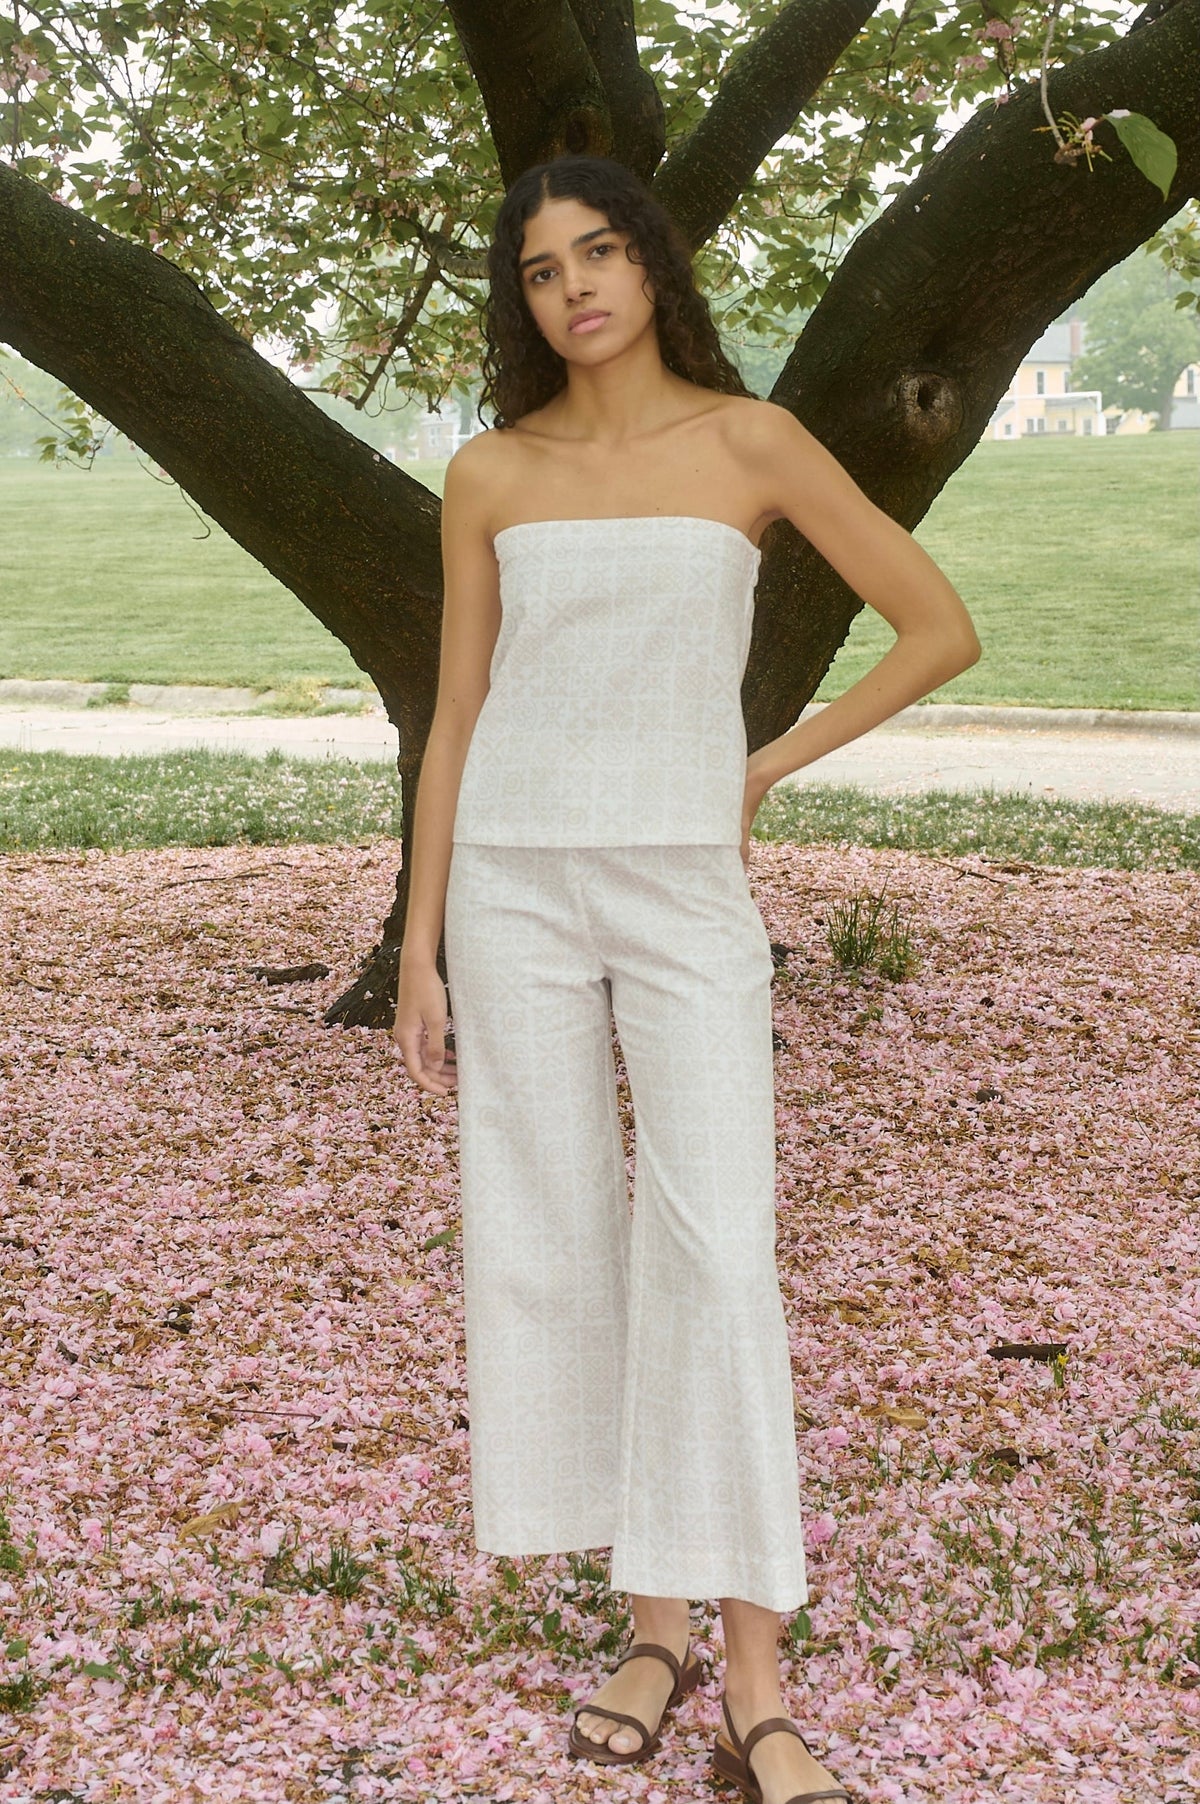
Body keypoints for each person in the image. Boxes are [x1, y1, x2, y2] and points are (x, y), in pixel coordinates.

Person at [393, 153, 980, 1804]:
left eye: (600, 252)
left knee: (717, 1252)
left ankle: (753, 1673)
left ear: (651, 265)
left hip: (680, 888)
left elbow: (936, 626)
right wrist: (423, 941)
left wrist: (766, 767)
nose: (573, 285)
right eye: (538, 269)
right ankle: (649, 1626)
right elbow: (456, 715)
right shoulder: (488, 471)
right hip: (511, 885)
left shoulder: (752, 442)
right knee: (555, 1239)